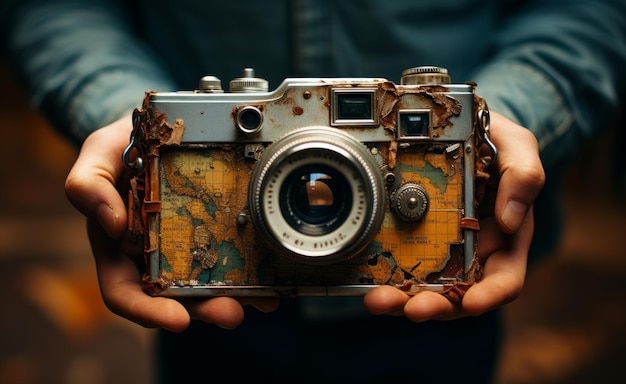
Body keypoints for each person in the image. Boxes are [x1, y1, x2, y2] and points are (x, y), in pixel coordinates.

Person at [3, 0, 625, 382]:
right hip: (215, 281)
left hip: (438, 280)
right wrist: (148, 137)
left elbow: (587, 9)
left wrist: (488, 133)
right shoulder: (167, 161)